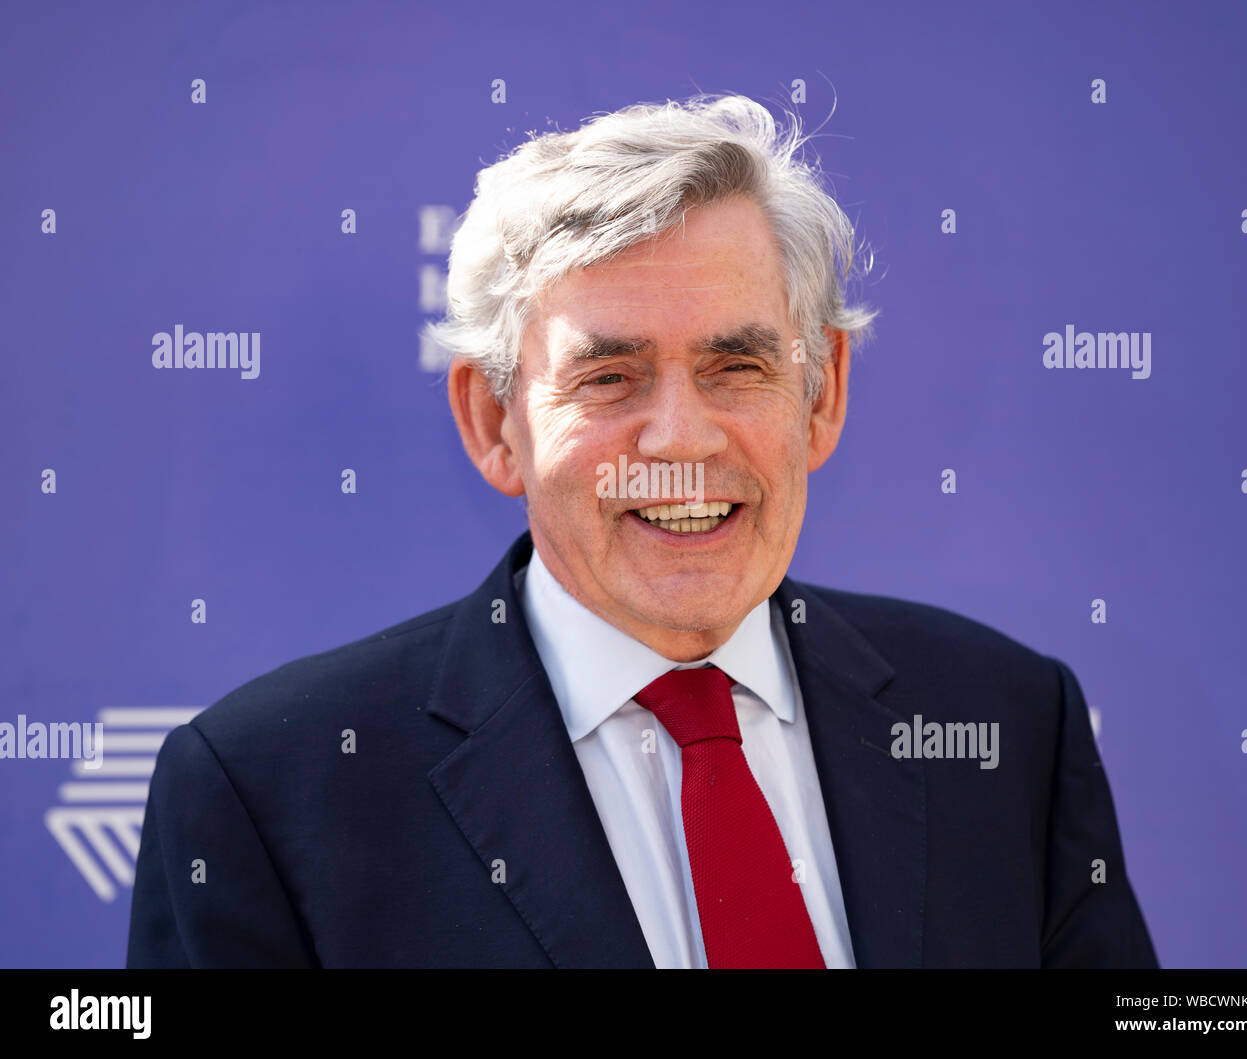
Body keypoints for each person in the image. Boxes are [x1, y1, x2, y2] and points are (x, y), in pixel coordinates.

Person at [127, 94, 1157, 968]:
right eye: (609, 377)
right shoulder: (269, 793)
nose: (678, 439)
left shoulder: (1007, 722)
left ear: (822, 395)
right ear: (496, 425)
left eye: (737, 367)